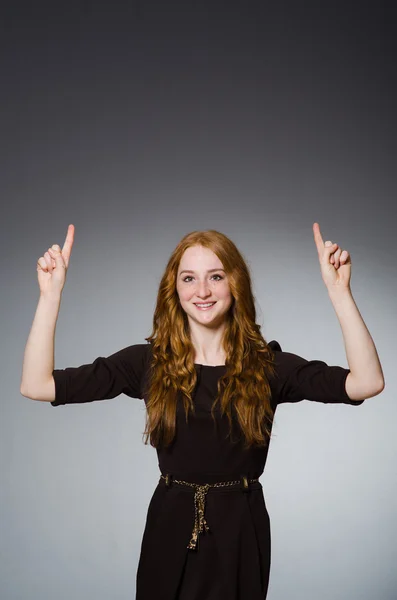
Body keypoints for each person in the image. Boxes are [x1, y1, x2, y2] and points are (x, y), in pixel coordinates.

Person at [20, 223, 385, 600]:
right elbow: (37, 385)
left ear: (235, 284)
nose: (203, 291)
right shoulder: (148, 363)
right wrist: (50, 295)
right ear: (174, 289)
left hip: (242, 530)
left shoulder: (268, 366)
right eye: (189, 278)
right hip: (169, 525)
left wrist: (340, 292)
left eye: (216, 276)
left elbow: (366, 382)